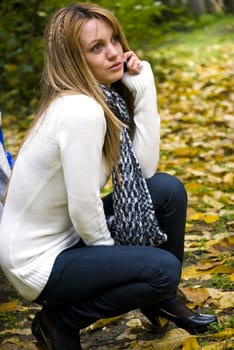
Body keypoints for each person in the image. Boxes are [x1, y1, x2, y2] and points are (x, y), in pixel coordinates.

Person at [0, 3, 217, 350]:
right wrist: (117, 264)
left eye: (114, 39)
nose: (114, 52)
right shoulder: (80, 111)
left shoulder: (101, 99)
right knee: (160, 270)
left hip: (66, 238)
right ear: (74, 60)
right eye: (96, 47)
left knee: (167, 190)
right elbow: (84, 206)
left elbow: (143, 174)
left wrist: (144, 91)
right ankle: (59, 321)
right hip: (36, 262)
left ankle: (158, 299)